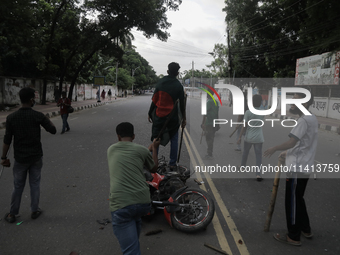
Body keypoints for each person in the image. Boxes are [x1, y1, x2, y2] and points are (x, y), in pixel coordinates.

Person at [263, 92, 317, 246]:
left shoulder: (303, 120)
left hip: (297, 167)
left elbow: (292, 142)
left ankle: (293, 235)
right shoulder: (312, 118)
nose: (291, 105)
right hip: (305, 165)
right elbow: (304, 143)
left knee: (292, 201)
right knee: (298, 198)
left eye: (294, 102)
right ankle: (305, 229)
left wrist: (275, 148)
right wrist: (287, 153)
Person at [1, 87, 57, 223]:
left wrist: (3, 158)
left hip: (20, 158)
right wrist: (44, 118)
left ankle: (12, 214)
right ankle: (34, 209)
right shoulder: (37, 116)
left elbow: (7, 140)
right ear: (32, 99)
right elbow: (53, 130)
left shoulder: (11, 118)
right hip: (36, 157)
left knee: (18, 186)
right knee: (35, 184)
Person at [108, 122, 160, 255]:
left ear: (118, 137)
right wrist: (154, 148)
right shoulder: (141, 150)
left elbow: (132, 154)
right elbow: (154, 167)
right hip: (143, 202)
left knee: (131, 251)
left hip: (122, 205)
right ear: (134, 136)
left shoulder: (111, 150)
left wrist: (150, 148)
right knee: (134, 220)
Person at [148, 62, 186, 168]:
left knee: (156, 139)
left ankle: (152, 162)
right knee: (174, 138)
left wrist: (149, 113)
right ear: (177, 73)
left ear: (167, 71)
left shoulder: (160, 83)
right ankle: (172, 163)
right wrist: (184, 119)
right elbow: (182, 104)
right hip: (172, 118)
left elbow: (154, 101)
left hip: (159, 116)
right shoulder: (179, 86)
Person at [237, 94, 264, 181]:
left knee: (245, 153)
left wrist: (240, 137)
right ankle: (258, 174)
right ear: (260, 102)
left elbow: (244, 126)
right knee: (258, 156)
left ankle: (242, 167)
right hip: (259, 138)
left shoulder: (248, 112)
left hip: (249, 137)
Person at [201, 88, 219, 159]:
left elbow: (205, 115)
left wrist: (202, 124)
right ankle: (210, 152)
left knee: (208, 138)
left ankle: (209, 153)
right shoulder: (216, 102)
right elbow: (217, 113)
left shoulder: (208, 102)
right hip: (215, 122)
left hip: (209, 123)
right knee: (212, 138)